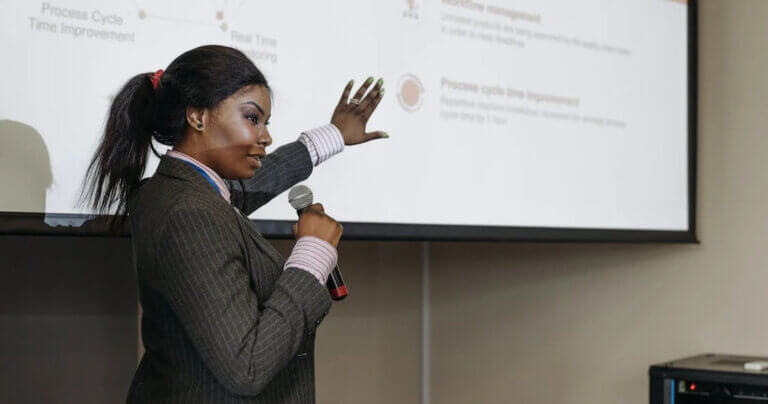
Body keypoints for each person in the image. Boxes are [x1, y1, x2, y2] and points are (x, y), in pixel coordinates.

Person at [80, 44, 386, 403]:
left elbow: (249, 186)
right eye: (253, 118)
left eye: (266, 123)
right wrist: (311, 256)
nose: (266, 136)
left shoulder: (175, 190)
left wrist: (333, 135)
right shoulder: (190, 213)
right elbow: (248, 366)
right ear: (197, 117)